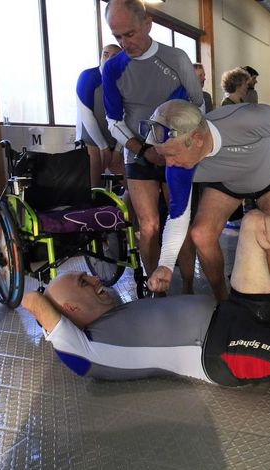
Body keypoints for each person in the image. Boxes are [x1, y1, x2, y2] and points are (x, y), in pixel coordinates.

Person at [20, 209, 270, 395]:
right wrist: (33, 289)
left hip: (237, 312)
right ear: (70, 311)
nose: (95, 278)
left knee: (252, 223)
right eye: (83, 282)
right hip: (224, 350)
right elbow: (33, 300)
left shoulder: (121, 312)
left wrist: (159, 292)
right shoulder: (89, 352)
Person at [144, 99, 270, 303]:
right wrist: (166, 264)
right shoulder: (177, 168)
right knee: (201, 234)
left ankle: (263, 302)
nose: (169, 164)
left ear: (197, 138)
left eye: (172, 155)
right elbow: (177, 216)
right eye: (165, 157)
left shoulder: (242, 119)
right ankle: (223, 300)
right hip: (228, 181)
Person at [102, 0, 203, 294]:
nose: (124, 43)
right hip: (138, 153)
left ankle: (187, 287)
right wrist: (143, 150)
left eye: (130, 34)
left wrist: (177, 147)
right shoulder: (113, 68)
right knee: (147, 227)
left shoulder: (177, 59)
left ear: (147, 24)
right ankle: (155, 288)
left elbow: (197, 106)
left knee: (179, 223)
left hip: (176, 152)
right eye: (117, 36)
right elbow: (113, 120)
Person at [75, 44, 124, 188]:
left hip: (117, 139)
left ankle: (126, 211)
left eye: (114, 56)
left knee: (133, 186)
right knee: (94, 188)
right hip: (90, 141)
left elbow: (128, 117)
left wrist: (117, 150)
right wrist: (103, 147)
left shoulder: (126, 81)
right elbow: (86, 115)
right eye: (105, 54)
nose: (108, 59)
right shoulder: (88, 77)